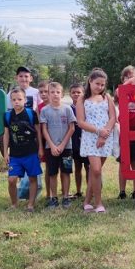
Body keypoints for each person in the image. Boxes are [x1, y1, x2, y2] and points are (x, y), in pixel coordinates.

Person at [76, 68, 116, 213]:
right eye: (97, 83)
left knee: (94, 173)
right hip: (90, 138)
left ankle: (87, 201)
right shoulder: (82, 99)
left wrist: (104, 134)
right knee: (97, 170)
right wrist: (98, 131)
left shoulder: (107, 98)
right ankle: (98, 203)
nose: (99, 87)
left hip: (105, 138)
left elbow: (113, 117)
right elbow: (80, 122)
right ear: (90, 81)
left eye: (102, 84)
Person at [2, 88, 43, 212]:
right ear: (11, 101)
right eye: (14, 100)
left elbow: (38, 132)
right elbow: (6, 134)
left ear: (25, 100)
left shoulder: (31, 114)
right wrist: (5, 152)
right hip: (15, 155)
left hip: (31, 153)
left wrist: (40, 147)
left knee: (32, 178)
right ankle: (14, 204)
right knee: (11, 179)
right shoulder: (8, 116)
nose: (17, 102)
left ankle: (31, 204)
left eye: (19, 99)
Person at [40, 82, 76, 210]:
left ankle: (65, 197)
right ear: (48, 94)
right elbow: (44, 130)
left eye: (58, 92)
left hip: (66, 148)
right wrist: (52, 146)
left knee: (66, 172)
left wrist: (61, 145)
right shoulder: (44, 110)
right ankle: (54, 198)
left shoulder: (67, 109)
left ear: (62, 94)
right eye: (52, 92)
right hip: (51, 148)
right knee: (52, 173)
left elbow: (71, 128)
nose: (55, 95)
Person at [115, 65, 135, 200]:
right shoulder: (123, 90)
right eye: (128, 76)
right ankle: (122, 191)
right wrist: (130, 81)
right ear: (123, 79)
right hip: (125, 130)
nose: (132, 79)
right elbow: (118, 91)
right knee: (124, 162)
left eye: (134, 75)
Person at [69, 83, 89, 200]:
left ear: (83, 93)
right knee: (77, 167)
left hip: (86, 142)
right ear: (70, 94)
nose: (76, 94)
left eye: (79, 92)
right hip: (74, 142)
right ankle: (78, 190)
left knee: (88, 167)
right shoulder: (68, 109)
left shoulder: (86, 107)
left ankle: (89, 190)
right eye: (73, 92)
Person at [36, 80, 51, 204]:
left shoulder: (58, 105)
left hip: (58, 140)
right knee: (48, 168)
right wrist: (40, 146)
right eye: (41, 92)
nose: (44, 94)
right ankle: (49, 193)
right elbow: (38, 129)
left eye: (46, 91)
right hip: (45, 140)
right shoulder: (39, 108)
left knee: (60, 169)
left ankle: (61, 191)